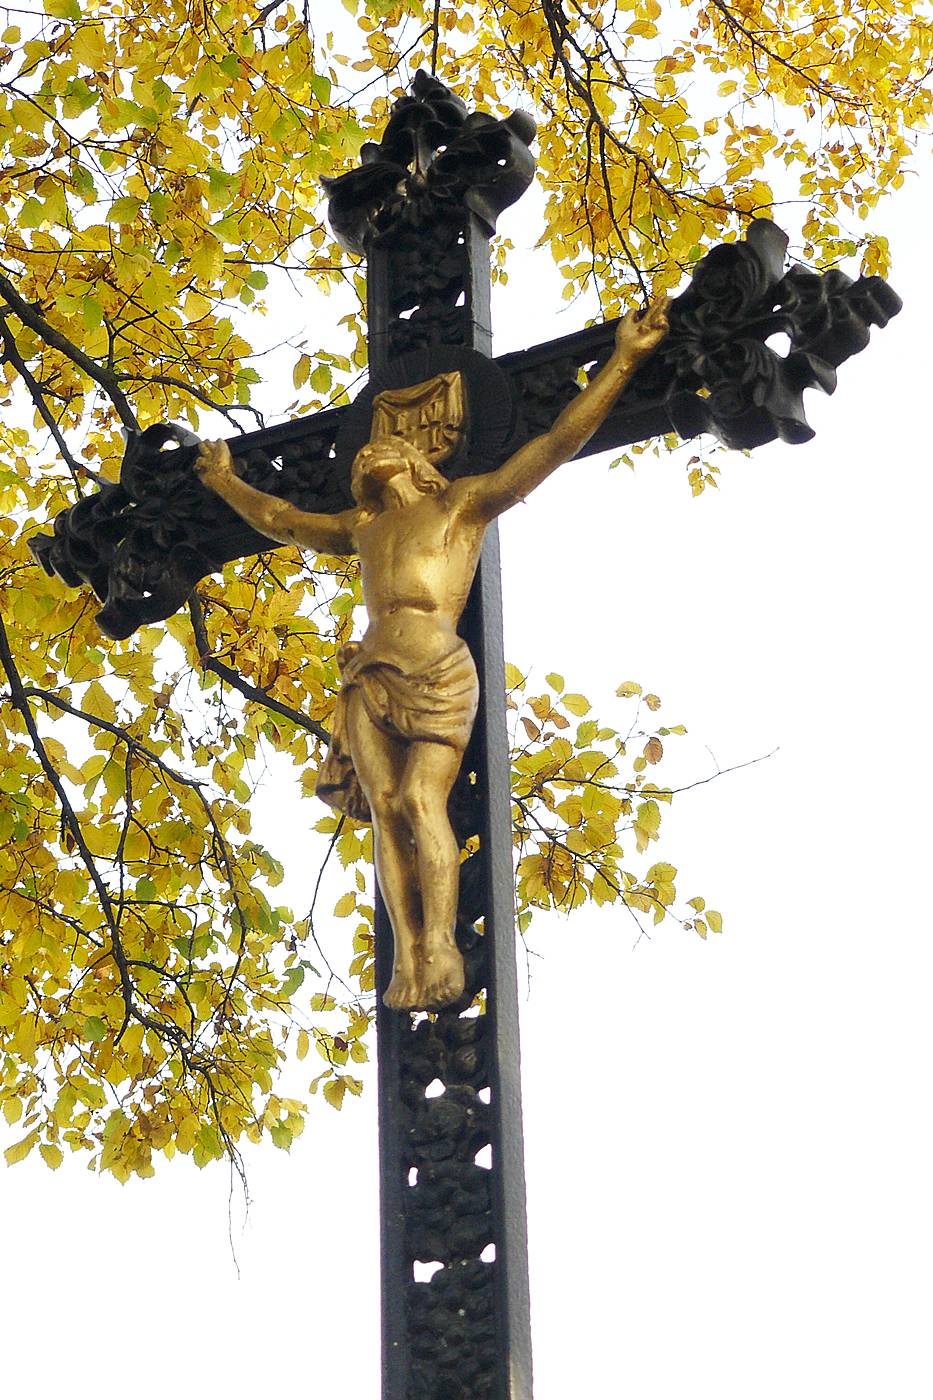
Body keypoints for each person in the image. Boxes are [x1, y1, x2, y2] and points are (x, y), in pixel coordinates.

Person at [195, 300, 669, 1010]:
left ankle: (440, 944)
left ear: (419, 460)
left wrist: (624, 360)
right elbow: (281, 519)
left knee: (421, 799)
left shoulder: (460, 507)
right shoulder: (360, 527)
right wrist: (223, 480)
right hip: (368, 675)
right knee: (387, 810)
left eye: (385, 444)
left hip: (437, 669)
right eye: (365, 449)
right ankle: (404, 955)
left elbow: (555, 443)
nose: (370, 449)